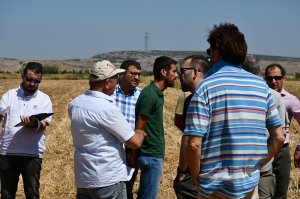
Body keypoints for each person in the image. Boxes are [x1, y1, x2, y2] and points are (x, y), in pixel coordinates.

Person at [184, 23, 285, 199]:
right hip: (249, 187)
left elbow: (193, 144)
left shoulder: (206, 88)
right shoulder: (261, 87)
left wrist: (196, 178)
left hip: (214, 189)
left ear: (216, 52)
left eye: (209, 52)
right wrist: (258, 165)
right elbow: (279, 137)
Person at [68, 60, 145, 199]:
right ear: (107, 82)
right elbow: (134, 142)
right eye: (115, 80)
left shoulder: (75, 104)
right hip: (108, 178)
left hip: (83, 178)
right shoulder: (107, 108)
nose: (117, 84)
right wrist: (140, 132)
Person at [0, 62, 53, 199]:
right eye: (29, 79)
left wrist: (33, 123)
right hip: (8, 152)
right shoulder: (9, 96)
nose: (32, 84)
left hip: (32, 154)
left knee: (32, 194)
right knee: (7, 194)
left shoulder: (44, 99)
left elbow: (44, 124)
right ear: (22, 76)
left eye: (36, 81)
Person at [242, 55, 288, 199]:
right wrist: (263, 161)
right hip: (262, 164)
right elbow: (280, 135)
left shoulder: (231, 92)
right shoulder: (273, 96)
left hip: (235, 167)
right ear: (261, 72)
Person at [134, 56, 178, 199]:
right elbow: (139, 128)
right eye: (174, 71)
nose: (176, 76)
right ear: (164, 72)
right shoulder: (150, 95)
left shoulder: (156, 94)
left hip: (152, 154)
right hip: (150, 155)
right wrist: (134, 154)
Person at [173, 55, 209, 199]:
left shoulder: (195, 99)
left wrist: (182, 170)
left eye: (182, 71)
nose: (179, 75)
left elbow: (189, 141)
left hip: (195, 170)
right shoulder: (214, 95)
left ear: (195, 72)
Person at [265, 63, 300, 199]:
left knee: (280, 191)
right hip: (262, 148)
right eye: (269, 78)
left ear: (283, 78)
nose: (273, 81)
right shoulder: (259, 97)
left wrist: (299, 147)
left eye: (277, 78)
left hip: (281, 151)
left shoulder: (291, 100)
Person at [112, 60, 142, 199]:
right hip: (110, 147)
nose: (137, 77)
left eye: (139, 74)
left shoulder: (141, 96)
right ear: (122, 74)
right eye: (133, 74)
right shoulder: (110, 93)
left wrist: (135, 153)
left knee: (127, 187)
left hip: (131, 148)